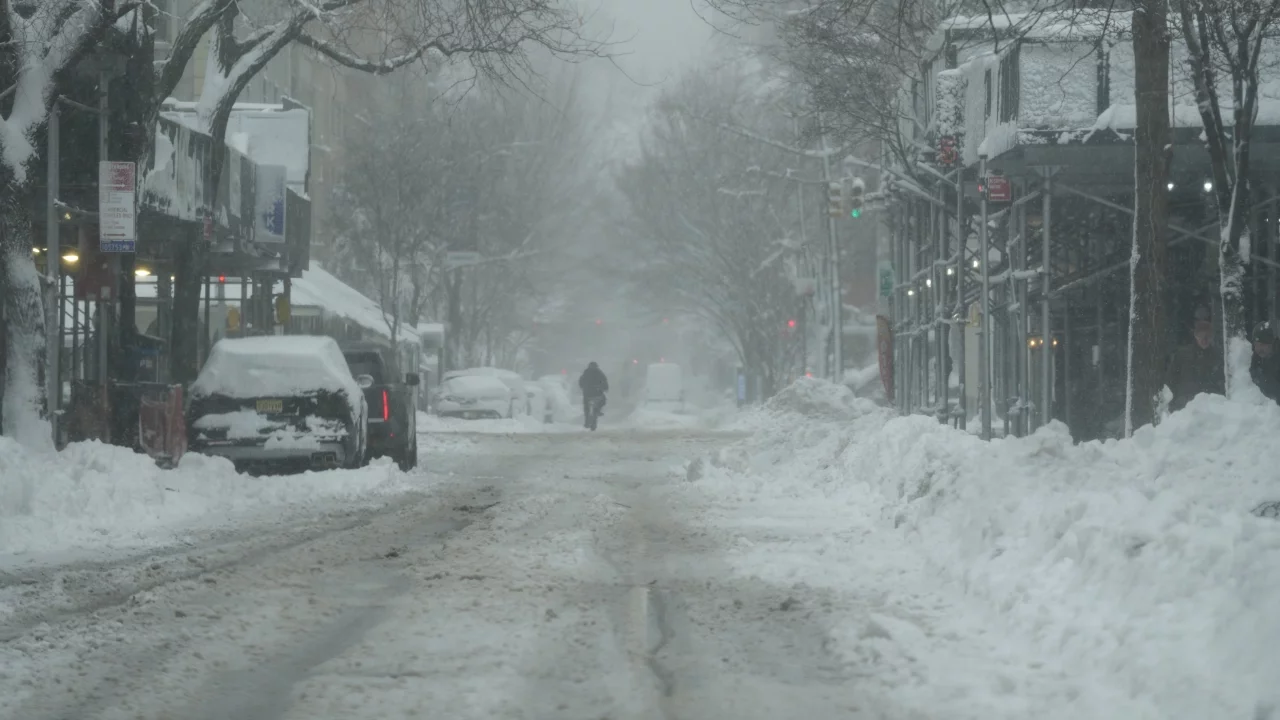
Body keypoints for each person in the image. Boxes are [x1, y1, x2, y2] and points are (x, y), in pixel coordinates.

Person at [1166, 305, 1225, 412]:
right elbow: (1171, 380)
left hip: (1211, 408)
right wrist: (1175, 401)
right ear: (1195, 335)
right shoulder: (1182, 354)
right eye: (1201, 335)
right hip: (1184, 407)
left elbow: (1221, 383)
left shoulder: (1218, 357)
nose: (1204, 340)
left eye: (1208, 336)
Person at [1251, 320, 1280, 403]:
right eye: (1256, 345)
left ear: (1271, 343)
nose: (1258, 349)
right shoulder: (1255, 358)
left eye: (1262, 345)